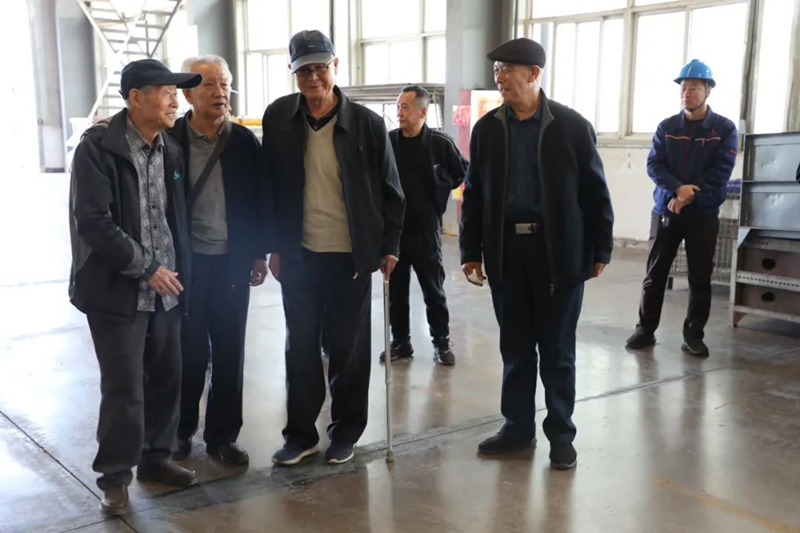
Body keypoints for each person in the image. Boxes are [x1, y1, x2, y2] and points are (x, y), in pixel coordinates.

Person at [459, 38, 614, 470]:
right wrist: (470, 250)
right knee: (516, 348)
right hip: (507, 252)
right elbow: (474, 194)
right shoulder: (488, 130)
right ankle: (518, 427)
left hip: (558, 253)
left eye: (508, 69)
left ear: (533, 73)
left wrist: (600, 246)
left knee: (558, 351)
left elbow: (595, 191)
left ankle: (561, 435)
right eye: (497, 70)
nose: (500, 78)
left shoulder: (571, 127)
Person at [262, 30, 405, 466]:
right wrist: (272, 247)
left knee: (349, 349)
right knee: (300, 347)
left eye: (320, 68)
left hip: (351, 257)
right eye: (303, 70)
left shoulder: (366, 124)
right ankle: (300, 434)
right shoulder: (279, 117)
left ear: (336, 67)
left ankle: (345, 431)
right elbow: (269, 189)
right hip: (299, 255)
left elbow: (391, 191)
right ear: (293, 74)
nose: (313, 77)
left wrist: (389, 246)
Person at [68, 59, 201, 515]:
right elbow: (93, 221)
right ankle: (114, 477)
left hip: (167, 287)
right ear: (135, 98)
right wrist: (147, 268)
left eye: (176, 93)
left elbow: (175, 219)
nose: (175, 101)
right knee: (124, 387)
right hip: (117, 289)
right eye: (166, 92)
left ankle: (156, 458)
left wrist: (180, 275)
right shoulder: (97, 148)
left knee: (167, 377)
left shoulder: (170, 149)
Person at [169, 55, 267, 465]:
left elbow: (258, 201)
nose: (219, 92)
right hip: (185, 265)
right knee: (187, 353)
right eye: (208, 84)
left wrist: (258, 254)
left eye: (224, 84)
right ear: (187, 93)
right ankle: (179, 432)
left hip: (231, 263)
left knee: (229, 351)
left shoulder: (243, 141)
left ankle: (223, 436)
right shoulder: (170, 140)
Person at [625, 59, 737, 357]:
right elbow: (654, 164)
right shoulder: (667, 127)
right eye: (684, 88)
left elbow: (720, 171)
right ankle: (645, 330)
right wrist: (677, 189)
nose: (687, 93)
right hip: (667, 210)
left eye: (694, 88)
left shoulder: (724, 129)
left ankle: (694, 335)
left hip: (702, 213)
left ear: (708, 91)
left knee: (700, 277)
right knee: (655, 274)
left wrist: (689, 196)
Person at [381, 85, 467, 366]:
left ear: (422, 112)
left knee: (433, 290)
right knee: (396, 292)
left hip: (426, 231)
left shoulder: (440, 144)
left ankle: (441, 341)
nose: (399, 113)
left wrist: (437, 194)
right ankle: (401, 341)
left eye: (405, 107)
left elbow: (461, 172)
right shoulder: (389, 143)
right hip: (395, 232)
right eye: (398, 107)